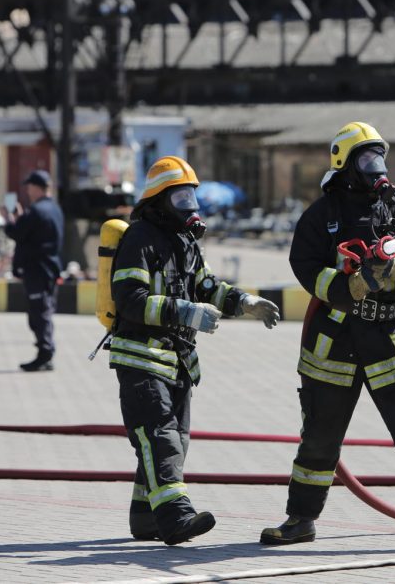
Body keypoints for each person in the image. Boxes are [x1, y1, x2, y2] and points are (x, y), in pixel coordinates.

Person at [260, 122, 395, 554]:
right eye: (368, 159)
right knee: (319, 436)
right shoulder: (321, 216)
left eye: (380, 158)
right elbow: (305, 266)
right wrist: (346, 285)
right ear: (346, 164)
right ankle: (300, 520)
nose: (378, 168)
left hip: (389, 337)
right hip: (334, 342)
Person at [110, 156, 280, 545]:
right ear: (160, 200)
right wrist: (185, 311)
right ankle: (174, 517)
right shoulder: (138, 239)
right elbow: (129, 300)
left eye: (192, 196)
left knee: (175, 440)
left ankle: (145, 517)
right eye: (181, 197)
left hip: (179, 360)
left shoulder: (185, 243)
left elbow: (207, 287)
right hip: (141, 356)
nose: (191, 206)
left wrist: (245, 303)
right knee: (160, 437)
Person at [2, 169, 64, 372]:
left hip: (37, 270)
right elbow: (32, 233)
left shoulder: (37, 211)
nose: (28, 191)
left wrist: (9, 219)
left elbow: (18, 233)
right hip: (49, 268)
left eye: (29, 187)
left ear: (37, 188)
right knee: (44, 310)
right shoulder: (54, 209)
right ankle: (45, 353)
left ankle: (45, 354)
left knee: (39, 313)